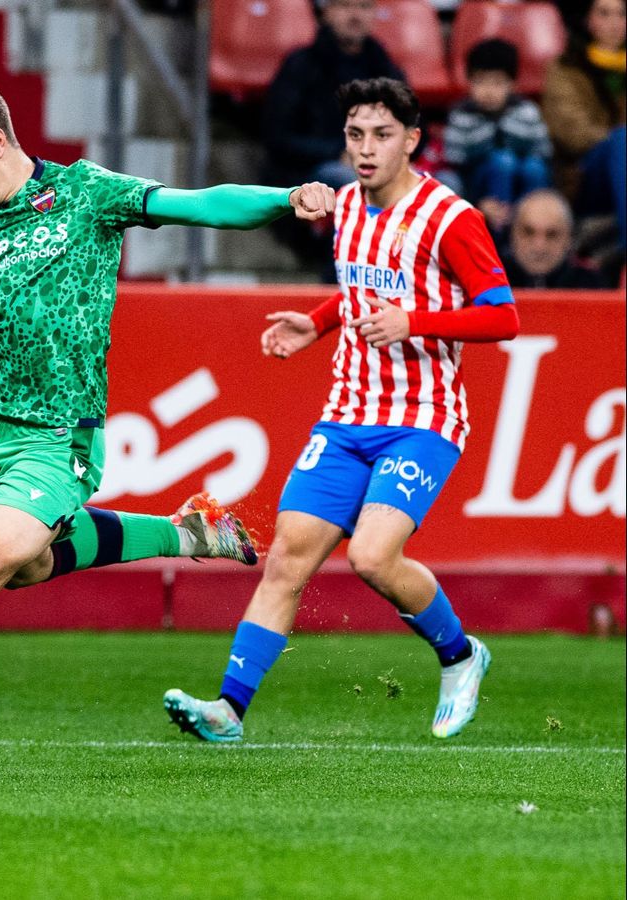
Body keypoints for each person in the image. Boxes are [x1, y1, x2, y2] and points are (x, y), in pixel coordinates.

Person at [0, 77, 336, 776]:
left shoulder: (86, 195)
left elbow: (200, 206)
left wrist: (287, 199)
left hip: (58, 439)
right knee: (27, 566)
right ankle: (187, 531)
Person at [163, 78, 521, 744]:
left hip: (424, 418)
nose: (365, 148)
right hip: (347, 413)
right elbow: (361, 289)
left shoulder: (451, 218)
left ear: (413, 141)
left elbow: (503, 316)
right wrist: (319, 323)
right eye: (356, 134)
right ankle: (229, 712)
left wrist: (415, 320)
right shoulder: (350, 207)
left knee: (374, 558)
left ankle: (461, 655)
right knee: (286, 563)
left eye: (382, 135)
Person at [263, 0, 405, 262]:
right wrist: (340, 151)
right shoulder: (301, 65)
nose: (355, 15)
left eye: (364, 7)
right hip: (316, 170)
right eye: (345, 6)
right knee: (350, 181)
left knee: (446, 184)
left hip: (379, 165)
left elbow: (414, 127)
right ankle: (354, 268)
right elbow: (278, 137)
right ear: (325, 12)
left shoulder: (384, 66)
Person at [441, 39, 553, 234]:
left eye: (498, 83)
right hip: (477, 183)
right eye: (480, 81)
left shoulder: (526, 111)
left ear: (512, 84)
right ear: (469, 82)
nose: (489, 91)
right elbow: (455, 158)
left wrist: (508, 136)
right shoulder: (461, 114)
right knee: (502, 160)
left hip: (521, 178)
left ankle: (532, 225)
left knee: (534, 168)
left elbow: (543, 150)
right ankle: (498, 230)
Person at [542, 0, 626, 252]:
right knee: (622, 142)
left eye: (622, 14)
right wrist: (616, 140)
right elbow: (569, 131)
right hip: (584, 176)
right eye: (604, 13)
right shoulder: (565, 68)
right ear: (588, 20)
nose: (615, 22)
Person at [504, 189, 607, 287]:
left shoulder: (590, 284)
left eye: (551, 235)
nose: (539, 246)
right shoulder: (492, 280)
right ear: (512, 234)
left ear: (568, 240)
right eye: (528, 232)